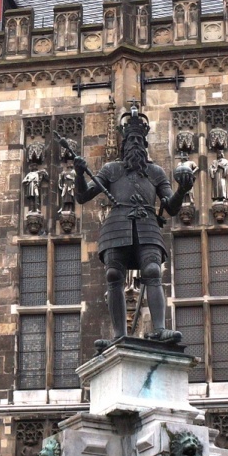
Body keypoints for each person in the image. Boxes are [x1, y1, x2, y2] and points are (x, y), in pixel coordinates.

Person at [74, 103, 194, 342]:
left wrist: (183, 189)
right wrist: (78, 173)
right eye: (131, 141)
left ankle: (159, 329)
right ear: (124, 145)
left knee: (151, 270)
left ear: (145, 145)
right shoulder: (111, 169)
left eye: (139, 141)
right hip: (116, 226)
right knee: (113, 275)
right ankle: (119, 335)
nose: (135, 144)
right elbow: (82, 195)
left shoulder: (156, 172)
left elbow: (170, 206)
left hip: (148, 224)